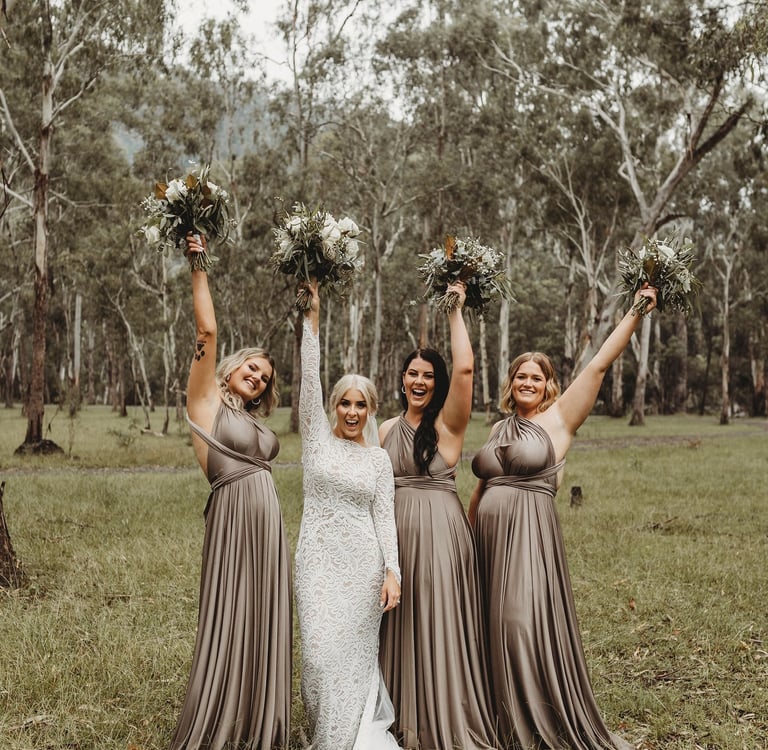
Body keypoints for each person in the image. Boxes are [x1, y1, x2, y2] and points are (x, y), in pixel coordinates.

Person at [468, 284, 658, 750]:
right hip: (488, 540)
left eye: (536, 377)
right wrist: (466, 533)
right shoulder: (497, 428)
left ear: (549, 383)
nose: (527, 383)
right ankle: (501, 721)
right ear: (510, 384)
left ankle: (537, 723)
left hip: (530, 536)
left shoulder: (559, 420)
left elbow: (598, 364)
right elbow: (482, 485)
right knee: (488, 625)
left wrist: (636, 311)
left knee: (518, 620)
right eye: (520, 377)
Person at [170, 233, 291, 750]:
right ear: (233, 365)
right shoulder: (205, 402)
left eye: (264, 379)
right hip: (233, 517)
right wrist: (198, 264)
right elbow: (207, 328)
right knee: (231, 612)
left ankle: (258, 720)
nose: (258, 380)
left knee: (263, 616)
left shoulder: (249, 417)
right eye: (252, 369)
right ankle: (221, 716)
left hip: (268, 525)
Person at [378, 281, 497, 750]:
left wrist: (454, 310)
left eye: (428, 375)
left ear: (437, 382)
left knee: (438, 618)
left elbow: (466, 366)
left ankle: (445, 714)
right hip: (395, 537)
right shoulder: (384, 427)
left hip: (441, 533)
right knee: (398, 623)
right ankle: (397, 716)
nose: (419, 381)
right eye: (412, 373)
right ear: (402, 378)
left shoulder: (448, 424)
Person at [294, 279, 402, 750]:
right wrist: (311, 319)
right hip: (315, 563)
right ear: (333, 407)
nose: (353, 411)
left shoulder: (378, 460)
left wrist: (392, 572)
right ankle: (324, 733)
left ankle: (348, 739)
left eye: (361, 404)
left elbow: (385, 519)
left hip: (363, 567)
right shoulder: (316, 439)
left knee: (354, 656)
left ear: (371, 410)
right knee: (317, 655)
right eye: (345, 402)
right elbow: (310, 376)